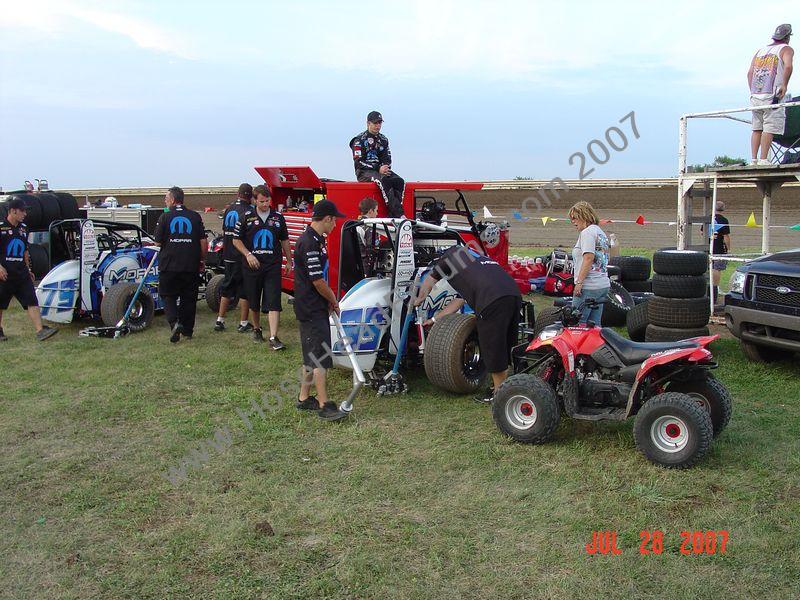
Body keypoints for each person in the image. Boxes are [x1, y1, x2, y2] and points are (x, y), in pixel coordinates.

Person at [414, 244, 521, 403]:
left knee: (492, 347)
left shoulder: (448, 258)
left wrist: (416, 300)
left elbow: (429, 282)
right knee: (505, 342)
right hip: (513, 294)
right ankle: (504, 385)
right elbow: (459, 301)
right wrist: (435, 319)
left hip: (491, 299)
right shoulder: (475, 260)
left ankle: (499, 397)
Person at [293, 199, 346, 420]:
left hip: (312, 304)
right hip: (311, 306)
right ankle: (324, 404)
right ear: (327, 219)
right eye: (334, 221)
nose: (335, 226)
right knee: (320, 356)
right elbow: (317, 280)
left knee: (310, 354)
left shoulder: (316, 240)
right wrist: (333, 299)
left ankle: (304, 398)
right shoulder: (309, 243)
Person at [233, 185, 291, 349]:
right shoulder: (246, 217)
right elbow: (236, 240)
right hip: (252, 265)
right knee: (254, 299)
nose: (265, 204)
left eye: (267, 201)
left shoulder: (278, 218)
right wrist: (248, 254)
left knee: (274, 300)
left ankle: (274, 337)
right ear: (254, 200)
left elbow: (284, 240)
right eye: (262, 201)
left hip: (272, 265)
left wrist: (289, 260)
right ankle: (257, 328)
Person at [154, 186, 207, 343]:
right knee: (189, 298)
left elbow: (157, 241)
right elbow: (203, 242)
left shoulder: (165, 217)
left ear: (172, 200)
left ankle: (174, 323)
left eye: (166, 198)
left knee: (167, 295)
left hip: (169, 265)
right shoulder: (195, 216)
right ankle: (188, 331)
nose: (165, 200)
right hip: (190, 264)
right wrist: (202, 260)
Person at [0, 197, 58, 341]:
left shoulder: (24, 228)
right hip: (4, 273)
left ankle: (40, 330)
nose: (25, 213)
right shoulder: (1, 227)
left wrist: (28, 268)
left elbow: (25, 250)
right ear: (13, 211)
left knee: (31, 300)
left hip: (21, 273)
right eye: (22, 211)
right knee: (1, 303)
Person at [748, 24, 794, 165]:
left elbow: (749, 73)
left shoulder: (760, 51)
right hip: (773, 95)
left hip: (756, 95)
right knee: (769, 127)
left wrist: (753, 90)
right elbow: (788, 66)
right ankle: (763, 159)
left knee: (757, 128)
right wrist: (784, 85)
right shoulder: (786, 49)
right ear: (788, 37)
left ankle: (754, 159)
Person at [349, 111, 405, 218]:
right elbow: (359, 162)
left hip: (380, 170)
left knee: (399, 181)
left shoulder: (383, 140)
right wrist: (378, 168)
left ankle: (392, 213)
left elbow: (387, 158)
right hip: (364, 172)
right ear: (368, 123)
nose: (378, 126)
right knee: (383, 180)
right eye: (375, 123)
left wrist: (385, 167)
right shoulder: (358, 140)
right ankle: (399, 215)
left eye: (380, 123)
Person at [214, 183, 253, 333]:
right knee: (244, 289)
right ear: (250, 196)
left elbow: (225, 231)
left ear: (238, 194)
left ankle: (220, 320)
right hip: (242, 255)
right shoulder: (249, 211)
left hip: (228, 253)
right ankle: (243, 323)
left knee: (227, 286)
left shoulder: (229, 209)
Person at [569, 201, 610, 326]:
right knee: (594, 325)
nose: (573, 222)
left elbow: (588, 258)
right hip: (602, 285)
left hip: (588, 286)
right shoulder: (600, 233)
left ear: (583, 216)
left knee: (576, 323)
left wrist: (579, 283)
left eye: (574, 218)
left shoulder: (586, 233)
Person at [708, 200, 731, 306]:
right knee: (716, 268)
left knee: (712, 267)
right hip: (720, 248)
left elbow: (702, 232)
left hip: (709, 246)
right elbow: (726, 236)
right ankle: (715, 288)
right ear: (723, 208)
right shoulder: (724, 220)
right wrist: (729, 248)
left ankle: (712, 288)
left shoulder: (708, 218)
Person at [356, 197, 379, 275]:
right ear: (370, 211)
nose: (377, 213)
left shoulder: (356, 223)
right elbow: (372, 249)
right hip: (367, 266)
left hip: (357, 264)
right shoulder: (370, 226)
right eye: (376, 210)